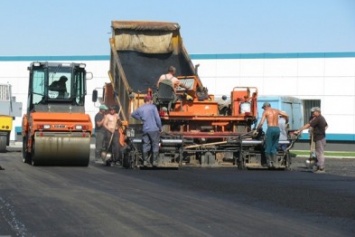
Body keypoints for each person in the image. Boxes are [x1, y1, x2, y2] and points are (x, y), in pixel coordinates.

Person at [131, 95, 162, 167]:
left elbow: (133, 114)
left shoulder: (141, 108)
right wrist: (160, 127)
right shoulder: (153, 107)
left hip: (145, 129)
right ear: (150, 100)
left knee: (145, 144)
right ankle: (154, 162)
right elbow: (157, 118)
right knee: (155, 144)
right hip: (153, 129)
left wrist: (141, 118)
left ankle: (145, 161)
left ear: (144, 100)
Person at [256, 102, 289, 168]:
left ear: (265, 107)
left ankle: (269, 163)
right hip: (277, 129)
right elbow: (286, 115)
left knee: (268, 146)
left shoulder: (266, 112)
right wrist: (287, 121)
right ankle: (275, 163)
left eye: (263, 108)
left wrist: (257, 129)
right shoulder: (276, 110)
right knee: (274, 146)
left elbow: (262, 122)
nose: (263, 109)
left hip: (270, 129)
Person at [295, 107, 328, 173]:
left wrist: (299, 130)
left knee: (319, 153)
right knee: (317, 152)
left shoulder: (318, 118)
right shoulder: (319, 118)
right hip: (319, 137)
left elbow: (309, 125)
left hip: (319, 138)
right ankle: (319, 166)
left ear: (317, 112)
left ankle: (321, 168)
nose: (312, 113)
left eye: (313, 112)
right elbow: (325, 126)